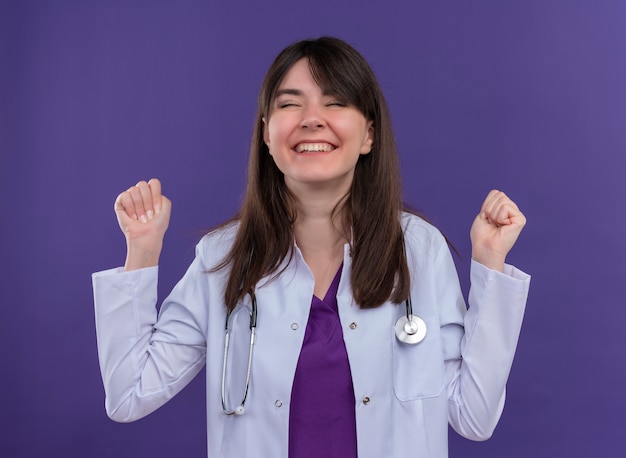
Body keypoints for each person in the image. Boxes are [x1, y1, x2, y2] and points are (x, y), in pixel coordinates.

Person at [93, 36, 530, 458]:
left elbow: (473, 415)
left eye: (336, 102)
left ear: (369, 135)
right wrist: (142, 253)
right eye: (289, 103)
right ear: (267, 134)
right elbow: (129, 395)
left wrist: (490, 265)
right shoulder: (223, 258)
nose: (311, 117)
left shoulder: (418, 250)